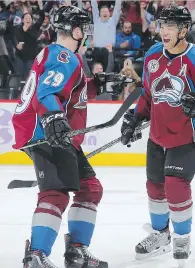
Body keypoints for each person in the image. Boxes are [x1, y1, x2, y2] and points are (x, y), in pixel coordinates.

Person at [11, 6, 124, 268]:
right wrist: (52, 119)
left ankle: (76, 253)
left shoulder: (58, 54)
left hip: (57, 132)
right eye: (84, 29)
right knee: (55, 194)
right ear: (75, 30)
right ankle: (36, 255)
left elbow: (68, 89)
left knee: (89, 189)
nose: (86, 34)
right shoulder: (64, 57)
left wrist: (97, 85)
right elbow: (48, 93)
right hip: (47, 132)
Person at [119, 5, 195, 266]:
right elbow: (148, 95)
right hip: (158, 134)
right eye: (161, 25)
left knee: (175, 184)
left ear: (183, 30)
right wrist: (136, 118)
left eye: (169, 26)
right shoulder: (153, 55)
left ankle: (181, 237)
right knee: (154, 186)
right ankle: (160, 235)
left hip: (190, 135)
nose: (163, 31)